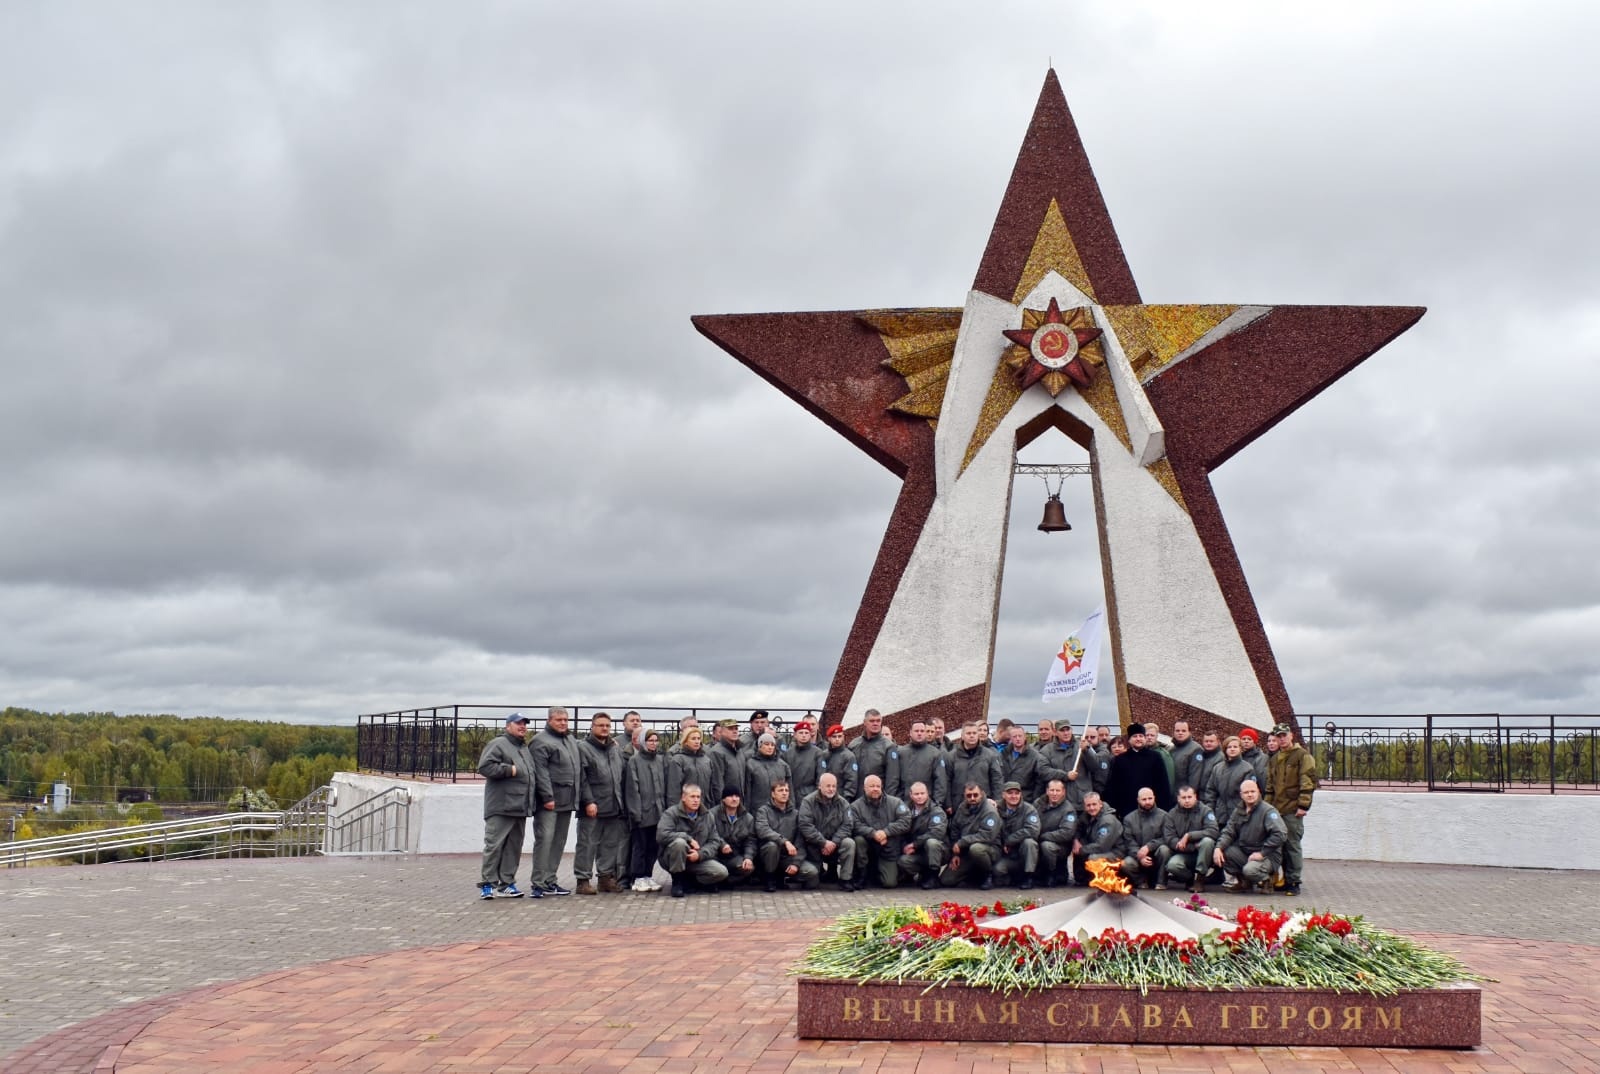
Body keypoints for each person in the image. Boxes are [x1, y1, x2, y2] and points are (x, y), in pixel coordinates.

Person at [475, 712, 538, 900]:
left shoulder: (523, 748)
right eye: (518, 723)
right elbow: (485, 767)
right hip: (501, 806)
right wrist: (509, 769)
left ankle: (507, 883)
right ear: (508, 726)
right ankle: (487, 884)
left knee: (513, 847)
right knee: (494, 845)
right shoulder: (498, 744)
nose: (522, 727)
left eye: (524, 724)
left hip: (520, 806)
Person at [531, 706, 584, 896]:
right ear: (549, 720)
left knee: (559, 841)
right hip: (550, 802)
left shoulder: (569, 739)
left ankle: (550, 880)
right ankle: (538, 883)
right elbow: (540, 771)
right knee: (545, 840)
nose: (563, 723)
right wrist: (547, 796)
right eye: (558, 720)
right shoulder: (540, 741)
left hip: (567, 800)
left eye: (565, 720)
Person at [574, 712, 628, 895]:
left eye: (607, 725)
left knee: (610, 844)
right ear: (592, 726)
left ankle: (605, 878)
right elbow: (581, 778)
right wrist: (588, 801)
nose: (604, 728)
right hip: (593, 805)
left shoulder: (614, 748)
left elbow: (620, 774)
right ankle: (582, 881)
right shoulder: (583, 748)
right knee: (587, 844)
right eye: (600, 725)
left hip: (613, 804)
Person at [1265, 722, 1316, 896]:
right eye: (1278, 736)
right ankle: (1285, 879)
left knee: (1292, 845)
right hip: (1277, 809)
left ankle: (1294, 881)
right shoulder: (1274, 758)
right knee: (1280, 845)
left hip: (1293, 809)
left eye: (1284, 735)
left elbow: (1307, 780)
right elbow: (1270, 786)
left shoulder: (1302, 756)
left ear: (1291, 735)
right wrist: (1267, 808)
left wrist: (1303, 804)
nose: (1281, 739)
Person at [1213, 777, 1287, 894]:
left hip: (1268, 856)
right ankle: (1244, 883)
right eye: (1246, 792)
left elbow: (1281, 834)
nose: (1250, 795)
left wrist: (1262, 853)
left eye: (1253, 791)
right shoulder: (1239, 810)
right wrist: (1218, 848)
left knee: (1250, 870)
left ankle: (1266, 881)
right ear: (1241, 795)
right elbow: (1229, 831)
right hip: (1247, 852)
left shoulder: (1268, 811)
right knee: (1224, 853)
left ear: (1258, 792)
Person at [657, 783, 729, 898]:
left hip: (696, 859)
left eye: (698, 797)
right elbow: (661, 835)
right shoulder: (671, 813)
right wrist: (688, 838)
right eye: (692, 797)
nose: (696, 800)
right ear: (683, 798)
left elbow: (714, 841)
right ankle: (678, 882)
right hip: (673, 858)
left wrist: (700, 855)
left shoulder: (707, 816)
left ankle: (693, 881)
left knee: (721, 872)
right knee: (679, 843)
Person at [623, 729, 668, 891]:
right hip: (642, 812)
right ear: (643, 741)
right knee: (639, 846)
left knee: (653, 847)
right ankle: (637, 877)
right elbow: (632, 789)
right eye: (650, 740)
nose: (653, 743)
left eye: (656, 740)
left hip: (658, 812)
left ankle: (648, 875)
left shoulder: (660, 760)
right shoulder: (634, 761)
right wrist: (635, 812)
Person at [798, 772, 857, 891]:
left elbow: (847, 825)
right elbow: (805, 825)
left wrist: (834, 842)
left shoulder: (843, 803)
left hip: (835, 844)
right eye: (828, 786)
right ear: (820, 786)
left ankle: (845, 879)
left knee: (849, 843)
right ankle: (819, 871)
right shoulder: (808, 801)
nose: (831, 789)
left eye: (834, 786)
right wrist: (823, 842)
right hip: (814, 845)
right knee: (812, 883)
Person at [850, 774, 912, 887]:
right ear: (864, 788)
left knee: (889, 883)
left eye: (878, 786)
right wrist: (873, 834)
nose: (875, 789)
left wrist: (886, 832)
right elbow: (854, 825)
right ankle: (862, 874)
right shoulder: (855, 806)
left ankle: (879, 872)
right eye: (872, 786)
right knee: (858, 840)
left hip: (888, 849)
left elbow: (906, 821)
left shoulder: (895, 803)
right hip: (868, 847)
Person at [1155, 784, 1219, 893]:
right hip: (1183, 852)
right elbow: (1169, 838)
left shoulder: (1205, 811)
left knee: (1208, 842)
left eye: (1190, 797)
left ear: (1195, 797)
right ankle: (1189, 879)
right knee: (1172, 865)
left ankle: (1199, 879)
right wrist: (1191, 846)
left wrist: (1189, 835)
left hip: (1202, 853)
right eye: (1184, 798)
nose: (1187, 800)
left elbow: (1213, 831)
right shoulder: (1171, 814)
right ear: (1178, 799)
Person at [755, 780, 817, 891]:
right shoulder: (763, 811)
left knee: (811, 872)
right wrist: (784, 841)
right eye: (780, 790)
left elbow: (801, 842)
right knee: (772, 846)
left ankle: (783, 876)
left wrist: (796, 864)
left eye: (786, 790)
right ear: (773, 794)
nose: (784, 793)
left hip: (787, 857)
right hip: (768, 855)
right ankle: (769, 879)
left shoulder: (796, 814)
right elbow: (762, 830)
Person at [939, 781, 1001, 890]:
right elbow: (955, 831)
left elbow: (987, 836)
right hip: (966, 852)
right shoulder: (962, 808)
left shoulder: (989, 811)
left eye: (975, 795)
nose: (972, 798)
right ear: (964, 796)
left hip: (989, 849)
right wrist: (956, 854)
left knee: (976, 849)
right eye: (969, 795)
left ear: (981, 794)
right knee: (947, 880)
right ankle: (973, 875)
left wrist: (962, 842)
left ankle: (987, 875)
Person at [1104, 723, 1174, 817]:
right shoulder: (1120, 759)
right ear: (1129, 740)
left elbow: (1163, 784)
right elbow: (1114, 786)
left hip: (1152, 808)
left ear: (1144, 738)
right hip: (1128, 808)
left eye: (1141, 736)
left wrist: (1164, 807)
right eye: (1135, 736)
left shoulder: (1155, 757)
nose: (1138, 739)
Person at [896, 780, 948, 890]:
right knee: (903, 861)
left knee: (932, 842)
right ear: (911, 795)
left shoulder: (936, 811)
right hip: (919, 853)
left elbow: (936, 833)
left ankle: (933, 877)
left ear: (927, 793)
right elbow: (901, 832)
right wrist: (905, 846)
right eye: (916, 794)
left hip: (938, 851)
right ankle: (923, 874)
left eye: (922, 793)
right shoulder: (905, 810)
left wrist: (915, 845)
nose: (920, 796)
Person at [992, 781, 1041, 889]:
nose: (1013, 796)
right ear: (1003, 795)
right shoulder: (995, 808)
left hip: (1023, 854)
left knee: (1030, 842)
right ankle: (1014, 878)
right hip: (1006, 854)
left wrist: (1010, 840)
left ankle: (1029, 877)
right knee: (998, 870)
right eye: (1010, 793)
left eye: (1016, 793)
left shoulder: (1029, 809)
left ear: (1020, 794)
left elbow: (1033, 830)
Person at [1117, 786, 1168, 890]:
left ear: (1154, 798)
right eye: (1144, 799)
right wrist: (1139, 856)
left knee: (1165, 850)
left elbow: (1167, 837)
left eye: (1150, 798)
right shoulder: (1129, 819)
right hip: (1138, 857)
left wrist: (1149, 847)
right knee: (1125, 863)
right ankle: (1141, 881)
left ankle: (1161, 882)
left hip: (1156, 856)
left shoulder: (1164, 816)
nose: (1147, 802)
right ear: (1138, 800)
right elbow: (1129, 842)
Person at [1071, 791, 1123, 886]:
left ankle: (1103, 881)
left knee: (1093, 858)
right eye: (1088, 805)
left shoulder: (1108, 820)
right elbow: (1078, 828)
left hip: (1115, 852)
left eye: (1094, 804)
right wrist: (1076, 841)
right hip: (1099, 847)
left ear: (1100, 804)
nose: (1091, 808)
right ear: (1085, 806)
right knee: (1080, 845)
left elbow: (1102, 846)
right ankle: (1082, 879)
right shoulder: (1087, 816)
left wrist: (1080, 850)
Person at [947, 721, 1003, 808]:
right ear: (962, 736)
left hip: (983, 804)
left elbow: (997, 780)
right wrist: (948, 804)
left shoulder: (989, 755)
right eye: (968, 733)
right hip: (958, 805)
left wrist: (997, 801)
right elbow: (947, 781)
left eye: (974, 733)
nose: (972, 736)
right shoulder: (951, 756)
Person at [848, 709, 901, 798]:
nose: (875, 723)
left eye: (878, 721)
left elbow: (892, 779)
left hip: (878, 799)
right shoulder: (854, 745)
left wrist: (886, 801)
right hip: (857, 800)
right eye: (872, 721)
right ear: (864, 722)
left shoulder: (888, 746)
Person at [1034, 778, 1078, 887]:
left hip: (1060, 846)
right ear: (1047, 791)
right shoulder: (1038, 804)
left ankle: (1051, 874)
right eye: (1052, 790)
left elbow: (1067, 833)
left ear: (1063, 792)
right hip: (1037, 840)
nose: (1054, 793)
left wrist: (1043, 837)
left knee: (1047, 846)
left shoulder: (1069, 810)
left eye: (1058, 791)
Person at [710, 785, 757, 886]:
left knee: (748, 868)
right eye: (730, 796)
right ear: (723, 799)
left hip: (734, 856)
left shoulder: (748, 818)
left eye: (737, 796)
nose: (734, 799)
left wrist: (748, 857)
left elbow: (750, 841)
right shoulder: (711, 815)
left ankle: (724, 882)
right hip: (714, 855)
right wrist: (722, 844)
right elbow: (710, 834)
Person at [1204, 734, 1255, 819]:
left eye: (1235, 747)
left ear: (1240, 749)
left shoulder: (1247, 769)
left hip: (1238, 814)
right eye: (1229, 747)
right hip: (1219, 814)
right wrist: (1210, 810)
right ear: (1225, 749)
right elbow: (1211, 791)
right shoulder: (1217, 768)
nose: (1232, 749)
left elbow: (1249, 795)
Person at [666, 726, 715, 804]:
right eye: (693, 739)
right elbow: (673, 790)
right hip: (685, 806)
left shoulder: (706, 760)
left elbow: (712, 786)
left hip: (705, 806)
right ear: (685, 741)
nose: (697, 741)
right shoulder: (678, 760)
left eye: (698, 738)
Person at [999, 726, 1046, 800]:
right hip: (1005, 798)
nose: (1017, 739)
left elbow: (1039, 782)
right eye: (1014, 736)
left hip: (1025, 799)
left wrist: (1034, 799)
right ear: (1011, 739)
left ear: (1024, 737)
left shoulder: (1035, 757)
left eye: (1020, 736)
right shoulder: (1003, 754)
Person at [785, 719, 823, 801]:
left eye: (806, 733)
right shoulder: (788, 753)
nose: (804, 735)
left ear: (810, 735)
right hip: (791, 795)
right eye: (801, 733)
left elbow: (820, 778)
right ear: (795, 735)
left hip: (810, 797)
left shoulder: (817, 753)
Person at [818, 725, 860, 800]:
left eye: (839, 736)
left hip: (840, 798)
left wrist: (845, 799)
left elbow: (851, 781)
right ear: (829, 738)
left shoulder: (848, 756)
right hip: (823, 797)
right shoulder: (823, 755)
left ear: (843, 737)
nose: (837, 739)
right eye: (834, 737)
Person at [1169, 720, 1203, 794]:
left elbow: (1194, 779)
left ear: (1189, 732)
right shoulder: (1171, 749)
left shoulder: (1196, 750)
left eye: (1184, 731)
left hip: (1183, 795)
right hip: (1170, 794)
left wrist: (1187, 796)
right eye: (1177, 730)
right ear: (1173, 732)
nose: (1180, 733)